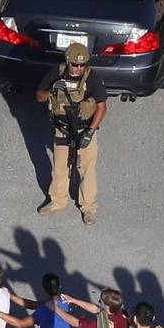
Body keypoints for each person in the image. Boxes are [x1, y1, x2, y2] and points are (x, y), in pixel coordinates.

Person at [35, 42, 107, 226]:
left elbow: (101, 107)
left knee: (87, 169)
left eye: (82, 65)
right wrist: (53, 90)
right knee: (59, 167)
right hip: (62, 129)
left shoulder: (92, 78)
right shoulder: (56, 73)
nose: (78, 68)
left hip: (84, 129)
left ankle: (88, 208)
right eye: (75, 64)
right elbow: (39, 96)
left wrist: (90, 132)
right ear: (68, 61)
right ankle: (58, 201)